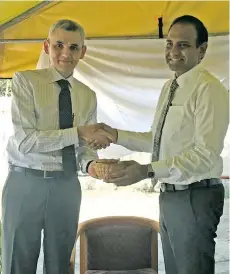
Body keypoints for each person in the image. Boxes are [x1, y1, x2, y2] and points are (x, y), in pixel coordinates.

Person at [87, 15, 229, 274]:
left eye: (183, 45)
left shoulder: (208, 89)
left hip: (195, 196)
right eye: (169, 44)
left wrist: (145, 170)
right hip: (171, 195)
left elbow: (205, 156)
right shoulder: (170, 86)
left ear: (202, 50)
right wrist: (115, 134)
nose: (173, 52)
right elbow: (157, 139)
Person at [1, 19, 114, 274]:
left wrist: (93, 164)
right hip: (25, 183)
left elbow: (84, 149)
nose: (66, 53)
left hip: (66, 186)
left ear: (83, 52)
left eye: (74, 47)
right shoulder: (25, 81)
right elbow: (26, 141)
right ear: (46, 46)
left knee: (60, 265)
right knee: (18, 265)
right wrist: (78, 132)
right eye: (59, 45)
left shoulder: (87, 95)